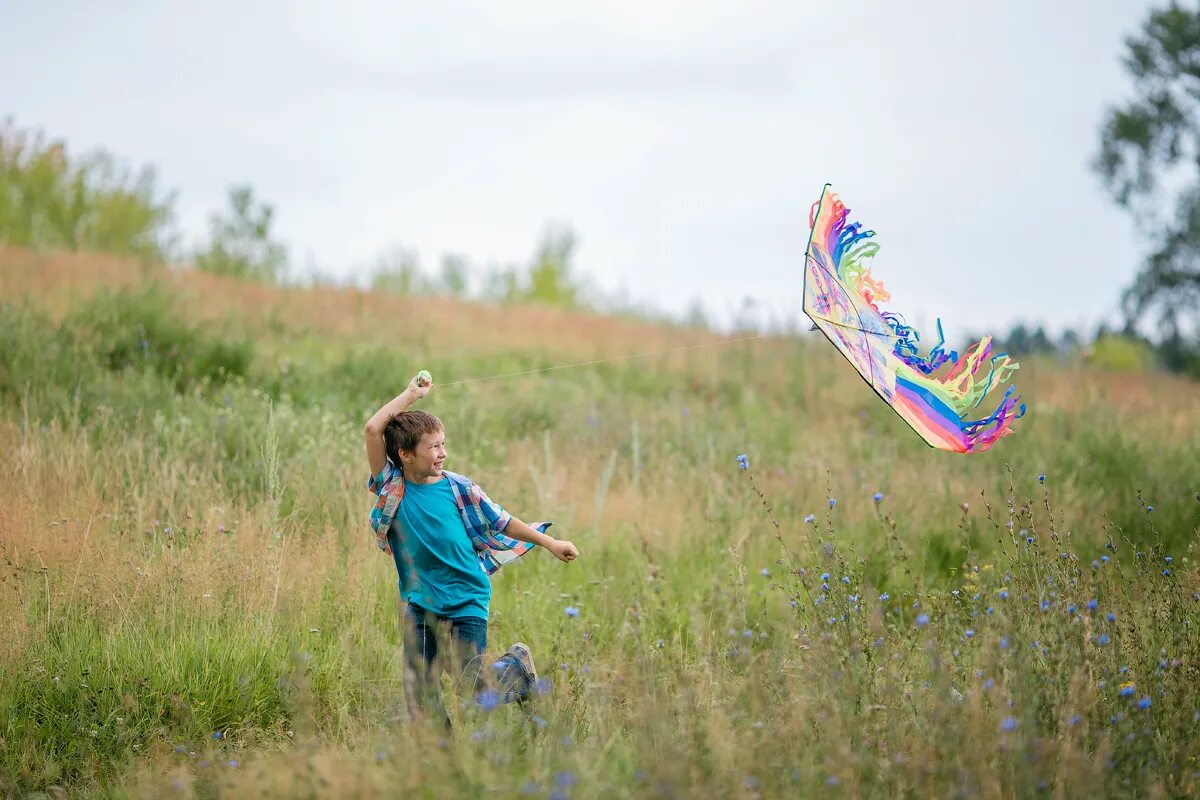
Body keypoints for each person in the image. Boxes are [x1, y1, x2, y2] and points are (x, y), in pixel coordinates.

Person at [365, 370, 579, 725]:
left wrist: (549, 542)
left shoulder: (459, 488)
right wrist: (410, 395)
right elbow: (374, 429)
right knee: (419, 693)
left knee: (473, 687)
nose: (443, 453)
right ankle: (443, 762)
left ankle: (516, 668)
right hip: (421, 601)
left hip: (466, 596)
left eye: (443, 444)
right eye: (433, 446)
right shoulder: (391, 486)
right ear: (404, 454)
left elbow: (501, 520)